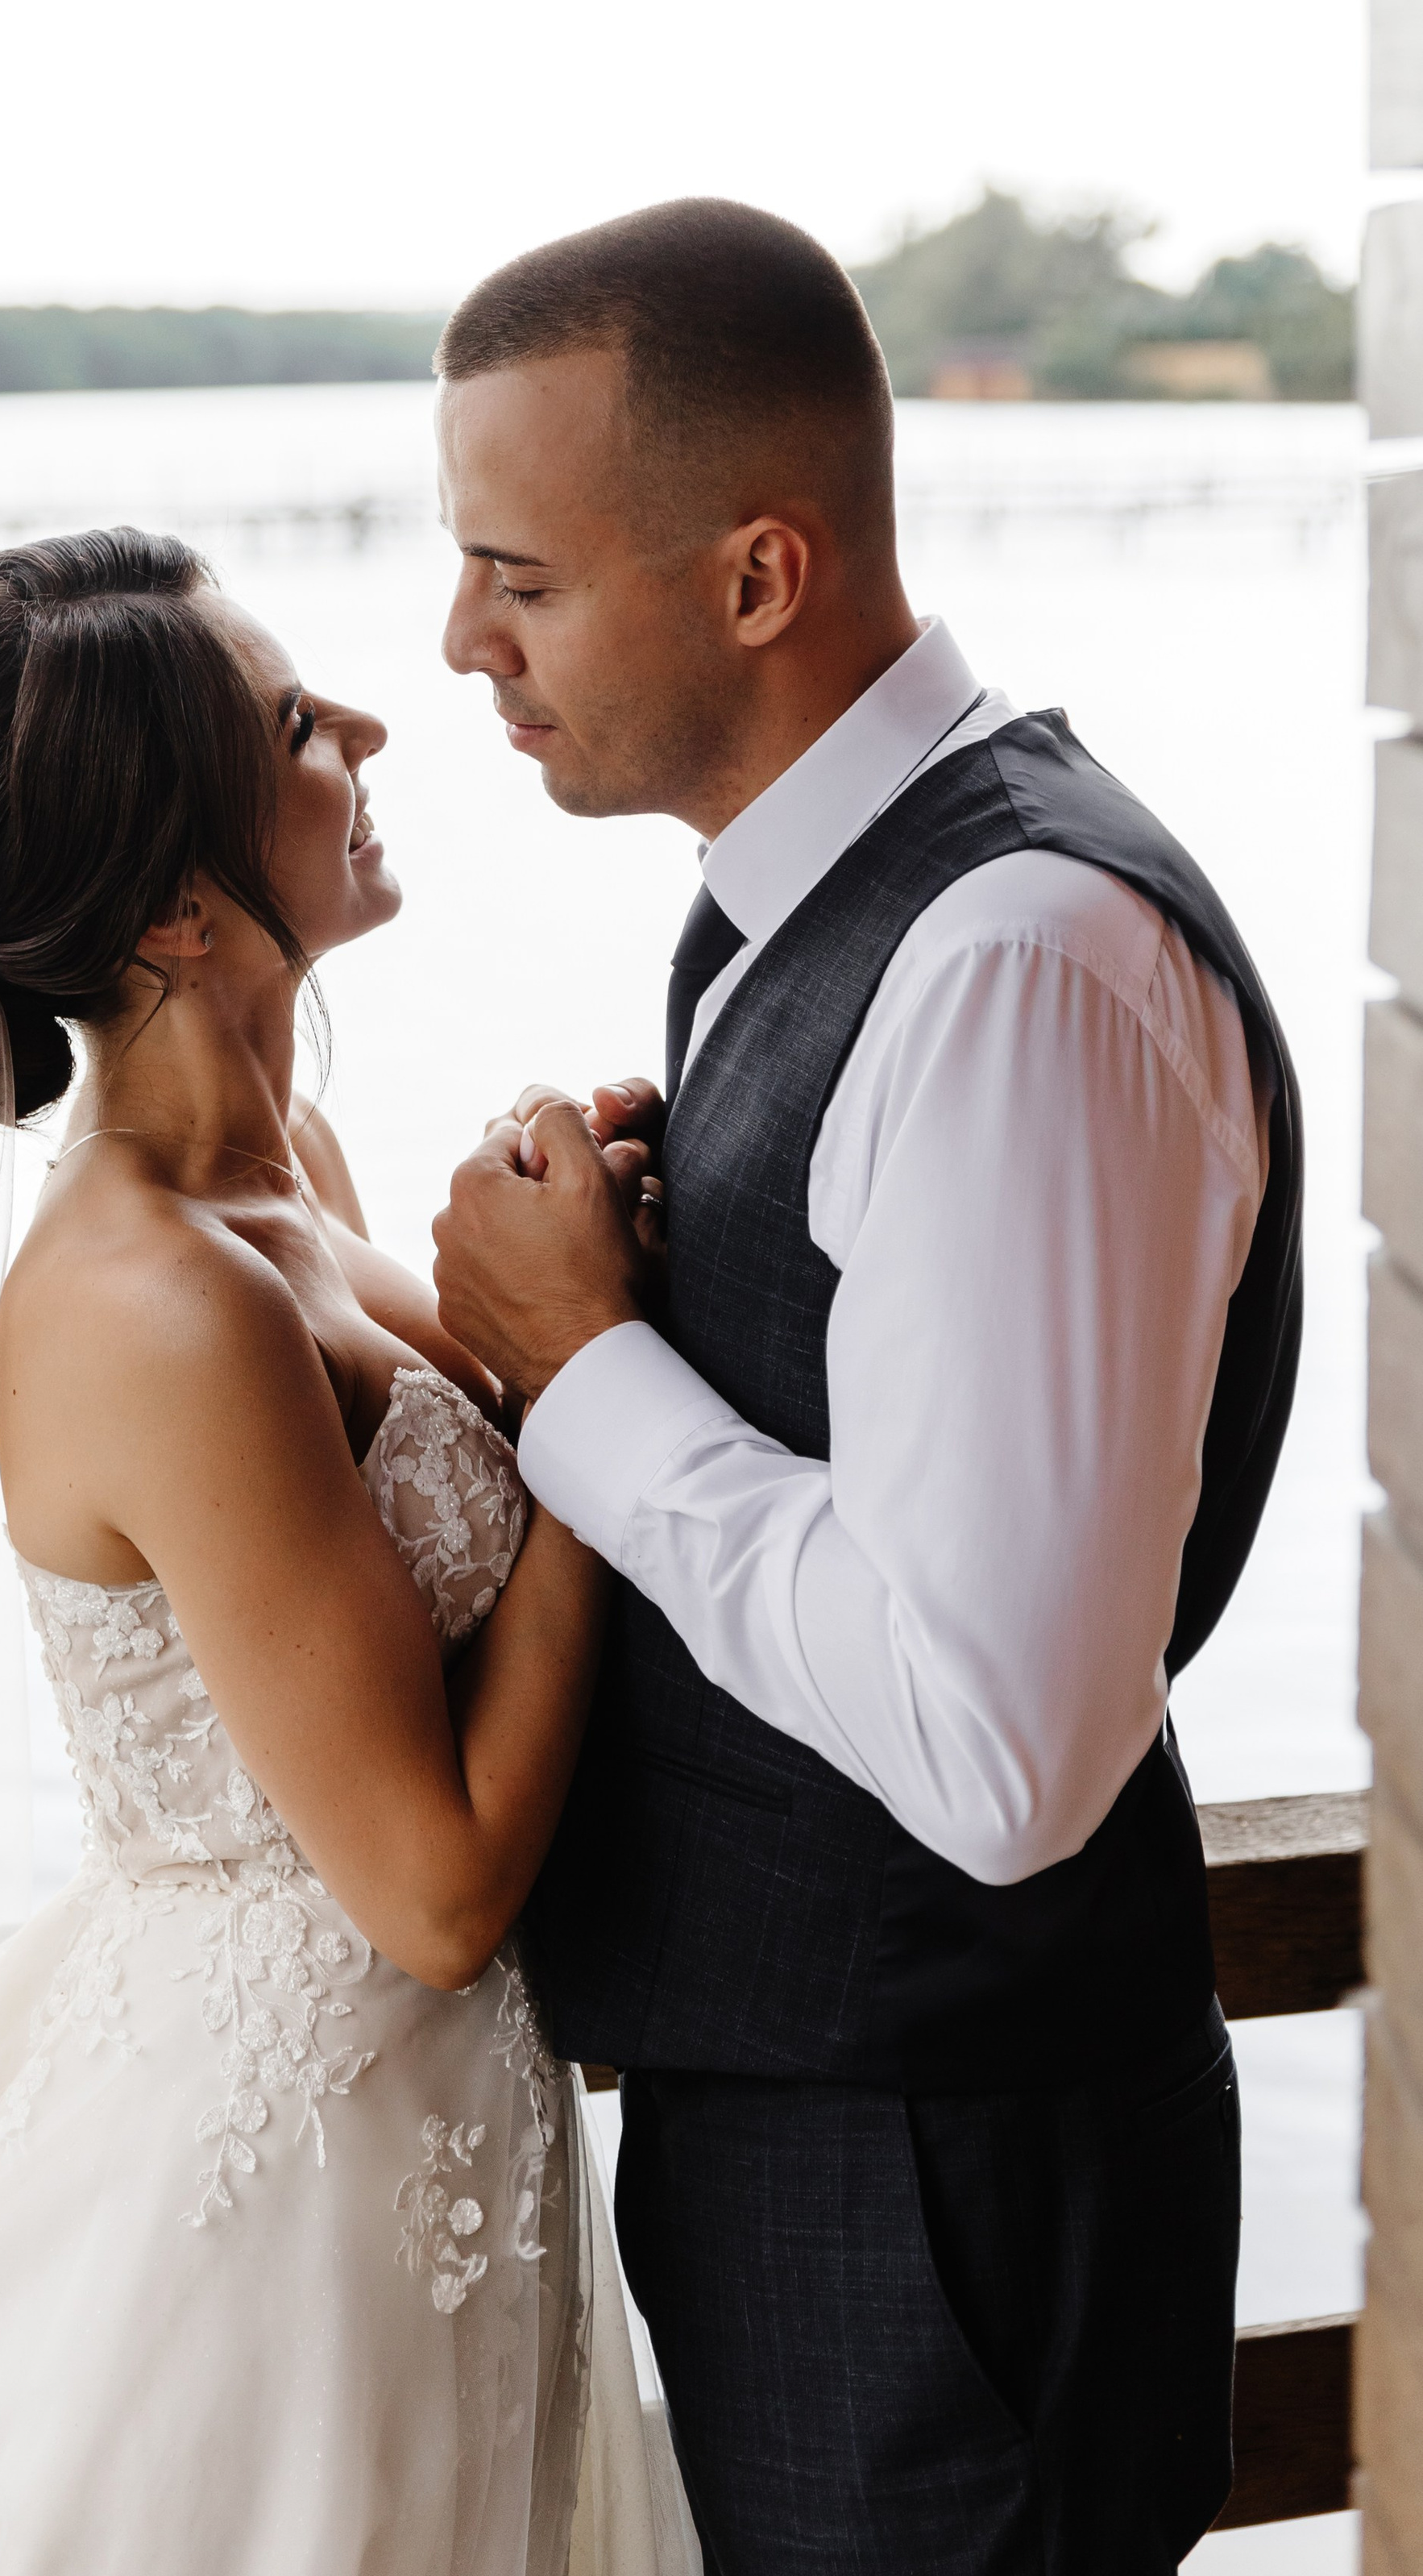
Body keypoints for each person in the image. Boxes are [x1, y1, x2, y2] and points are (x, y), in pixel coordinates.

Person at [0, 530, 701, 2576]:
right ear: (181, 910)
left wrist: (579, 1256)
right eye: (293, 727)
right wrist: (587, 1382)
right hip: (256, 2219)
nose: (368, 727)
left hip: (420, 2158)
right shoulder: (153, 1300)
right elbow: (433, 1887)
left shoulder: (297, 1178)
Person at [428, 199, 1302, 2575]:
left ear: (756, 576)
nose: (461, 642)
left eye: (519, 575)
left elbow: (999, 1750)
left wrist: (587, 1365)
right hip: (848, 2150)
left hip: (944, 2202)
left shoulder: (1015, 957)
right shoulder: (812, 906)